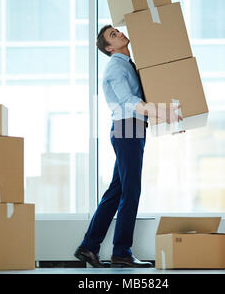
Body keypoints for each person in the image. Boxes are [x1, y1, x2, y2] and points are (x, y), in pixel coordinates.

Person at [74, 25, 182, 268]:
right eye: (114, 35)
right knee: (130, 191)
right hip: (126, 128)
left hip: (131, 128)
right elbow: (129, 101)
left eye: (117, 30)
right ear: (110, 48)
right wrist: (162, 113)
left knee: (117, 192)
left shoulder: (128, 64)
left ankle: (88, 247)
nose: (120, 33)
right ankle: (121, 251)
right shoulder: (115, 67)